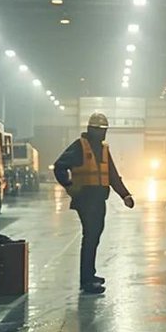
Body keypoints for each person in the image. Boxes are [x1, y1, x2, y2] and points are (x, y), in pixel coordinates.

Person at [52, 112, 136, 294]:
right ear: (91, 129)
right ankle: (87, 280)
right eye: (100, 130)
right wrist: (68, 185)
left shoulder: (104, 149)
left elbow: (112, 175)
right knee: (90, 237)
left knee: (94, 237)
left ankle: (89, 275)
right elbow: (59, 166)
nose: (103, 133)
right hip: (85, 199)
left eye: (105, 130)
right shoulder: (79, 147)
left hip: (99, 200)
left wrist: (125, 195)